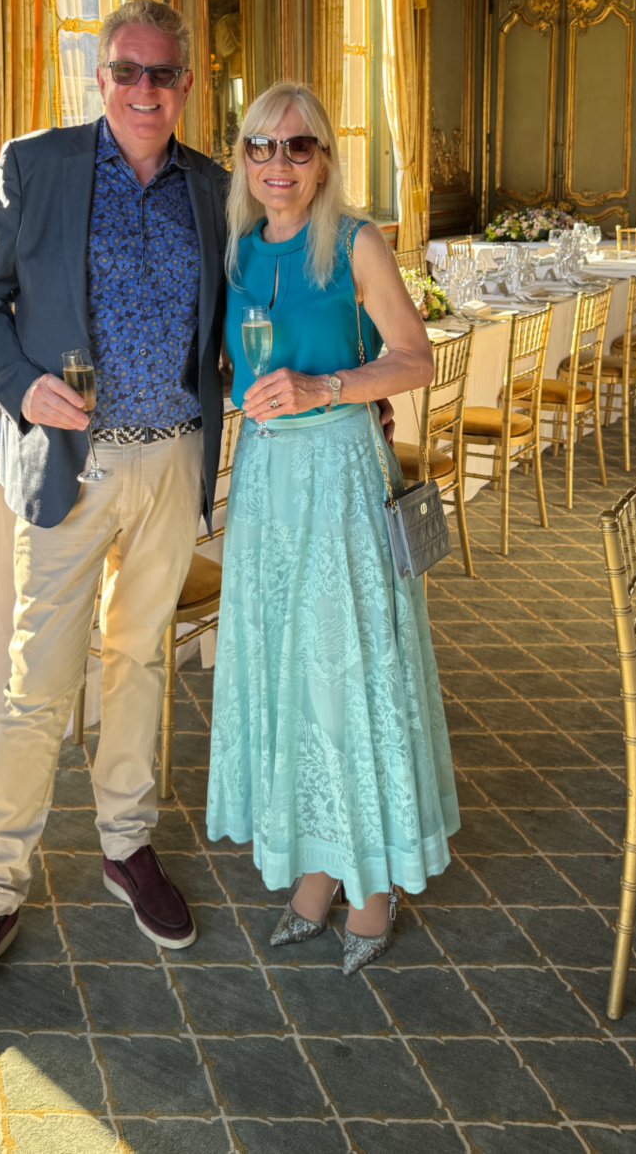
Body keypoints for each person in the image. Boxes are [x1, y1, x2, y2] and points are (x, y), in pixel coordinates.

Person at [0, 0, 228, 1027]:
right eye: (125, 72)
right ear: (98, 79)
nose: (145, 91)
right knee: (37, 683)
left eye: (163, 74)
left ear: (188, 84)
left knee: (138, 660)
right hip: (72, 465)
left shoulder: (213, 188)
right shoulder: (38, 164)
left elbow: (239, 322)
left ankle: (125, 843)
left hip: (171, 462)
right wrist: (18, 385)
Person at [206, 81, 459, 971]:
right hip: (268, 478)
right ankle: (316, 867)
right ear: (242, 159)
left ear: (324, 159)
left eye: (298, 147)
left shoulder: (356, 242)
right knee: (284, 669)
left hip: (341, 472)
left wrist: (330, 388)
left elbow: (416, 358)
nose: (278, 164)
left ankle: (374, 882)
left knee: (347, 670)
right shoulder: (237, 253)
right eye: (260, 148)